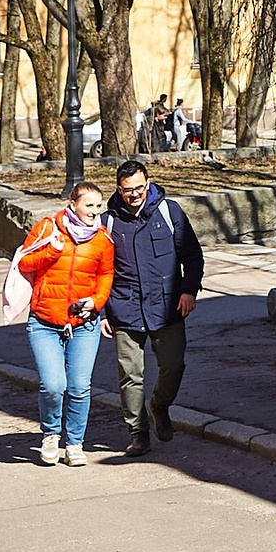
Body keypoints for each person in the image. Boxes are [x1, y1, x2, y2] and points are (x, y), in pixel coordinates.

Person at [102, 158, 203, 457]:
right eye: (127, 189)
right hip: (124, 308)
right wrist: (102, 312)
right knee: (130, 375)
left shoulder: (169, 212)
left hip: (167, 306)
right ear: (118, 189)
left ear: (148, 183)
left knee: (173, 365)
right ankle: (138, 434)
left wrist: (188, 291)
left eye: (139, 187)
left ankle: (159, 405)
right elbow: (97, 270)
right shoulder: (108, 222)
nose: (134, 194)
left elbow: (192, 256)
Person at [16, 182, 115, 467]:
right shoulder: (48, 228)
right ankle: (50, 434)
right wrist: (51, 252)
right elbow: (24, 262)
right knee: (53, 385)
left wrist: (96, 302)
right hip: (45, 322)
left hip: (84, 324)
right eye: (89, 205)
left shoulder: (103, 239)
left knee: (80, 387)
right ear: (73, 204)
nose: (94, 211)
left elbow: (106, 274)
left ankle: (74, 443)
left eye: (98, 206)